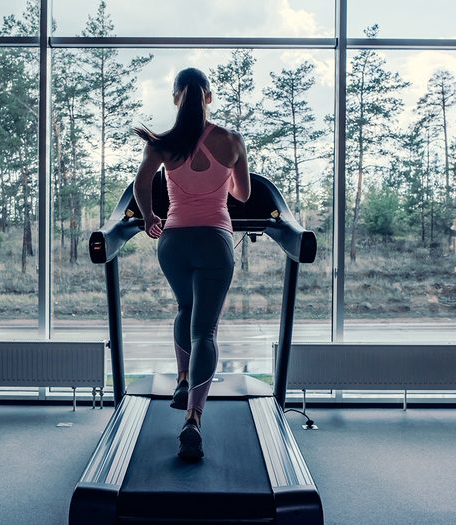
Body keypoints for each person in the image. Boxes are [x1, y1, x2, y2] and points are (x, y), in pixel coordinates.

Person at [132, 67, 251, 461]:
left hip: (174, 242)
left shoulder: (164, 144)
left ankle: (182, 378)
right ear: (209, 98)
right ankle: (194, 418)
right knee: (207, 330)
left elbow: (142, 182)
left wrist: (151, 217)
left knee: (185, 307)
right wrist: (225, 179)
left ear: (176, 98)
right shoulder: (232, 141)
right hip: (215, 240)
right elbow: (244, 195)